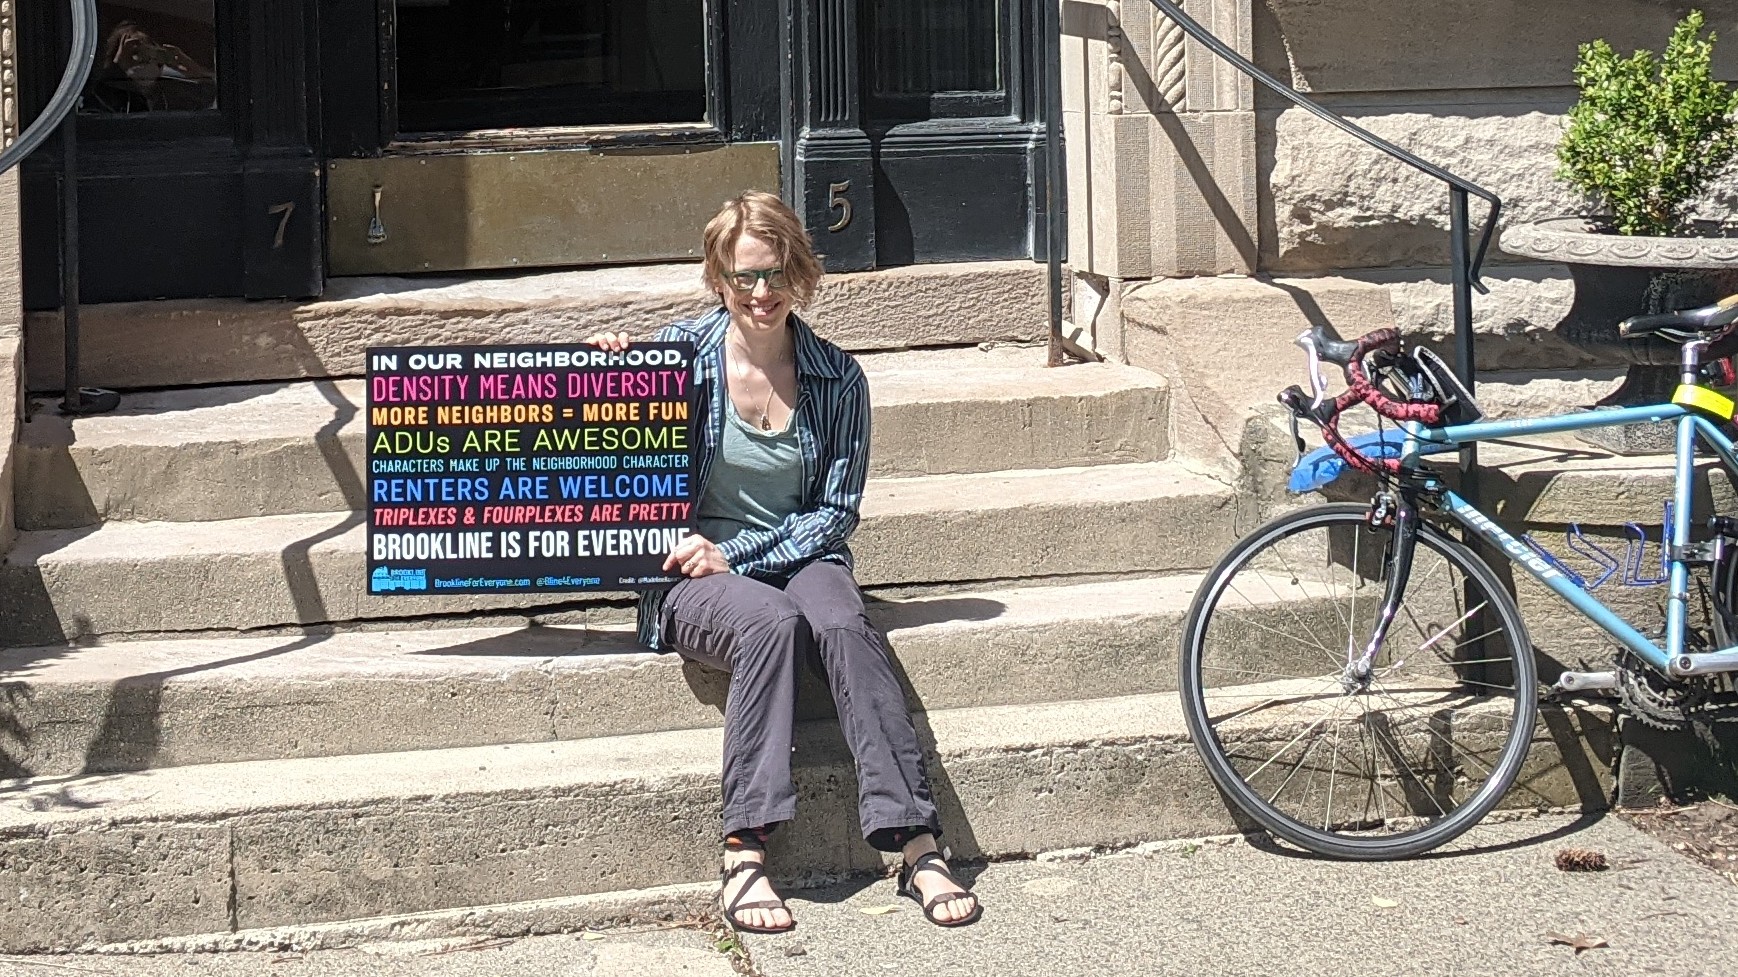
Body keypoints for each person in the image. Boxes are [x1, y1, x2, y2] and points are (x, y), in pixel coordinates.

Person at [586, 190, 980, 932]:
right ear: (718, 279)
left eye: (774, 275)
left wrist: (736, 546)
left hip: (796, 551)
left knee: (839, 622)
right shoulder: (672, 360)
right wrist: (609, 377)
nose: (760, 294)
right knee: (770, 624)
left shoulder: (837, 377)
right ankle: (744, 848)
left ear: (798, 274)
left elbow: (834, 512)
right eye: (744, 278)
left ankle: (916, 840)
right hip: (695, 578)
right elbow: (595, 454)